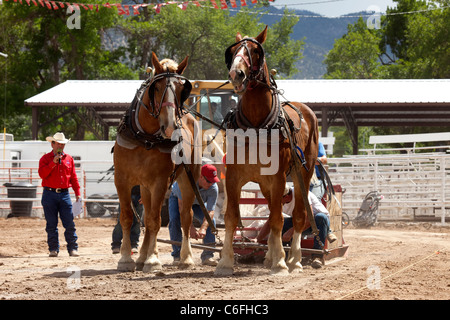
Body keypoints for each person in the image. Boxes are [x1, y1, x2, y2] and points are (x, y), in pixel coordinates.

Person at [257, 185, 337, 269]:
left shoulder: (301, 194)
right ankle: (283, 256)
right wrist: (258, 239)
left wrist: (291, 232)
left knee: (321, 217)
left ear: (287, 197)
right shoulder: (281, 199)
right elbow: (271, 221)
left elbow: (309, 219)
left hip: (315, 222)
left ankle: (317, 257)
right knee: (281, 223)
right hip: (298, 220)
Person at [38, 132, 81, 257]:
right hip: (49, 193)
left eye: (63, 144)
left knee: (69, 223)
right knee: (51, 224)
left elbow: (73, 177)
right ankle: (53, 249)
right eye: (58, 144)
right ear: (52, 144)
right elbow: (42, 174)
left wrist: (77, 193)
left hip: (64, 194)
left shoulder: (69, 159)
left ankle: (73, 248)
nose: (60, 146)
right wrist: (53, 163)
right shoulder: (45, 159)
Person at [168, 164, 220, 266]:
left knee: (211, 222)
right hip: (179, 200)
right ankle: (177, 255)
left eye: (213, 181)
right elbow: (182, 207)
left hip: (197, 203)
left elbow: (210, 211)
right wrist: (190, 228)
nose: (211, 184)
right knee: (174, 220)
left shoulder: (213, 188)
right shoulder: (185, 182)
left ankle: (208, 255)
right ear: (201, 177)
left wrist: (203, 228)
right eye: (208, 181)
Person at [111, 185, 143, 254]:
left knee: (137, 222)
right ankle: (116, 244)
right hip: (125, 194)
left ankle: (133, 245)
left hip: (140, 195)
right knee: (122, 221)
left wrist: (144, 195)